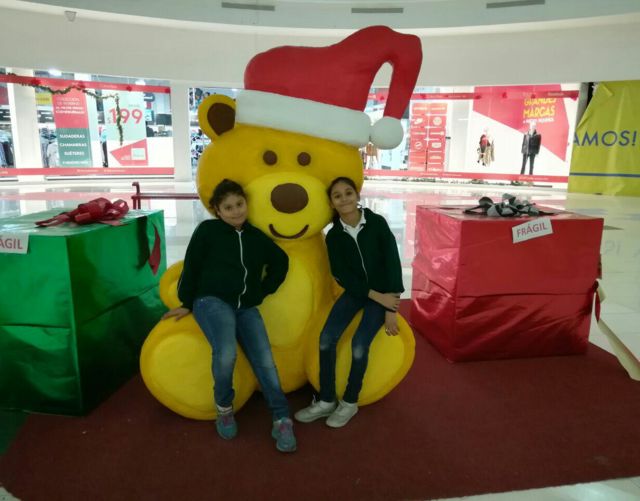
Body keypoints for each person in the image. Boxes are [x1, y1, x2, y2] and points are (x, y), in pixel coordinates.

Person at [163, 179, 297, 453]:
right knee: (226, 352)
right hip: (211, 300)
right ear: (217, 210)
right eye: (228, 207)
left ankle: (282, 418)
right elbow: (192, 266)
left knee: (265, 361)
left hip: (246, 305)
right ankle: (224, 408)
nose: (236, 211)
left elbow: (281, 261)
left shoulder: (255, 237)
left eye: (239, 204)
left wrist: (262, 291)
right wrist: (186, 302)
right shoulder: (208, 231)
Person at [295, 177, 403, 428]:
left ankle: (350, 402)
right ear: (332, 203)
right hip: (358, 293)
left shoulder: (376, 223)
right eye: (337, 196)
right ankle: (326, 400)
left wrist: (391, 308)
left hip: (383, 292)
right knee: (326, 339)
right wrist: (376, 296)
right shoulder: (334, 236)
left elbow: (392, 263)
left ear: (357, 196)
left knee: (359, 345)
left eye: (348, 193)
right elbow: (342, 275)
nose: (344, 199)